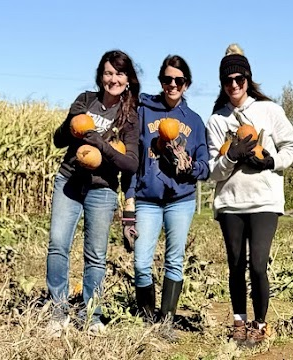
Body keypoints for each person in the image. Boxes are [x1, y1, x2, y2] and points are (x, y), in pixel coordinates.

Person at [205, 44, 293, 345]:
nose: (234, 85)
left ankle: (260, 324)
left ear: (248, 78)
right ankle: (239, 321)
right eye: (227, 80)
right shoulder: (216, 120)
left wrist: (271, 161)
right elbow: (211, 171)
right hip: (231, 202)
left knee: (258, 264)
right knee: (235, 263)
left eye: (239, 78)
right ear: (222, 83)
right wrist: (231, 156)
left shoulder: (270, 110)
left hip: (265, 201)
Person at [46, 49, 140, 337]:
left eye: (119, 73)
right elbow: (57, 140)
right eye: (108, 72)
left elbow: (131, 163)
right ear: (101, 76)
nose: (113, 79)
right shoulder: (85, 100)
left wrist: (102, 145)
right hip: (70, 180)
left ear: (128, 79)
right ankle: (57, 311)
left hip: (103, 189)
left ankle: (91, 315)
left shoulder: (130, 117)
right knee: (58, 244)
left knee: (96, 255)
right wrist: (72, 125)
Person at [124, 55, 209, 330]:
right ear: (161, 81)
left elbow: (205, 167)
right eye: (167, 79)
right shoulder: (144, 111)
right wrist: (129, 199)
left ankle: (167, 323)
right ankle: (149, 322)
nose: (172, 84)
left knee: (174, 261)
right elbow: (132, 158)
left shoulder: (194, 121)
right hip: (147, 199)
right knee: (141, 263)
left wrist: (188, 167)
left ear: (187, 85)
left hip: (180, 200)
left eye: (179, 80)